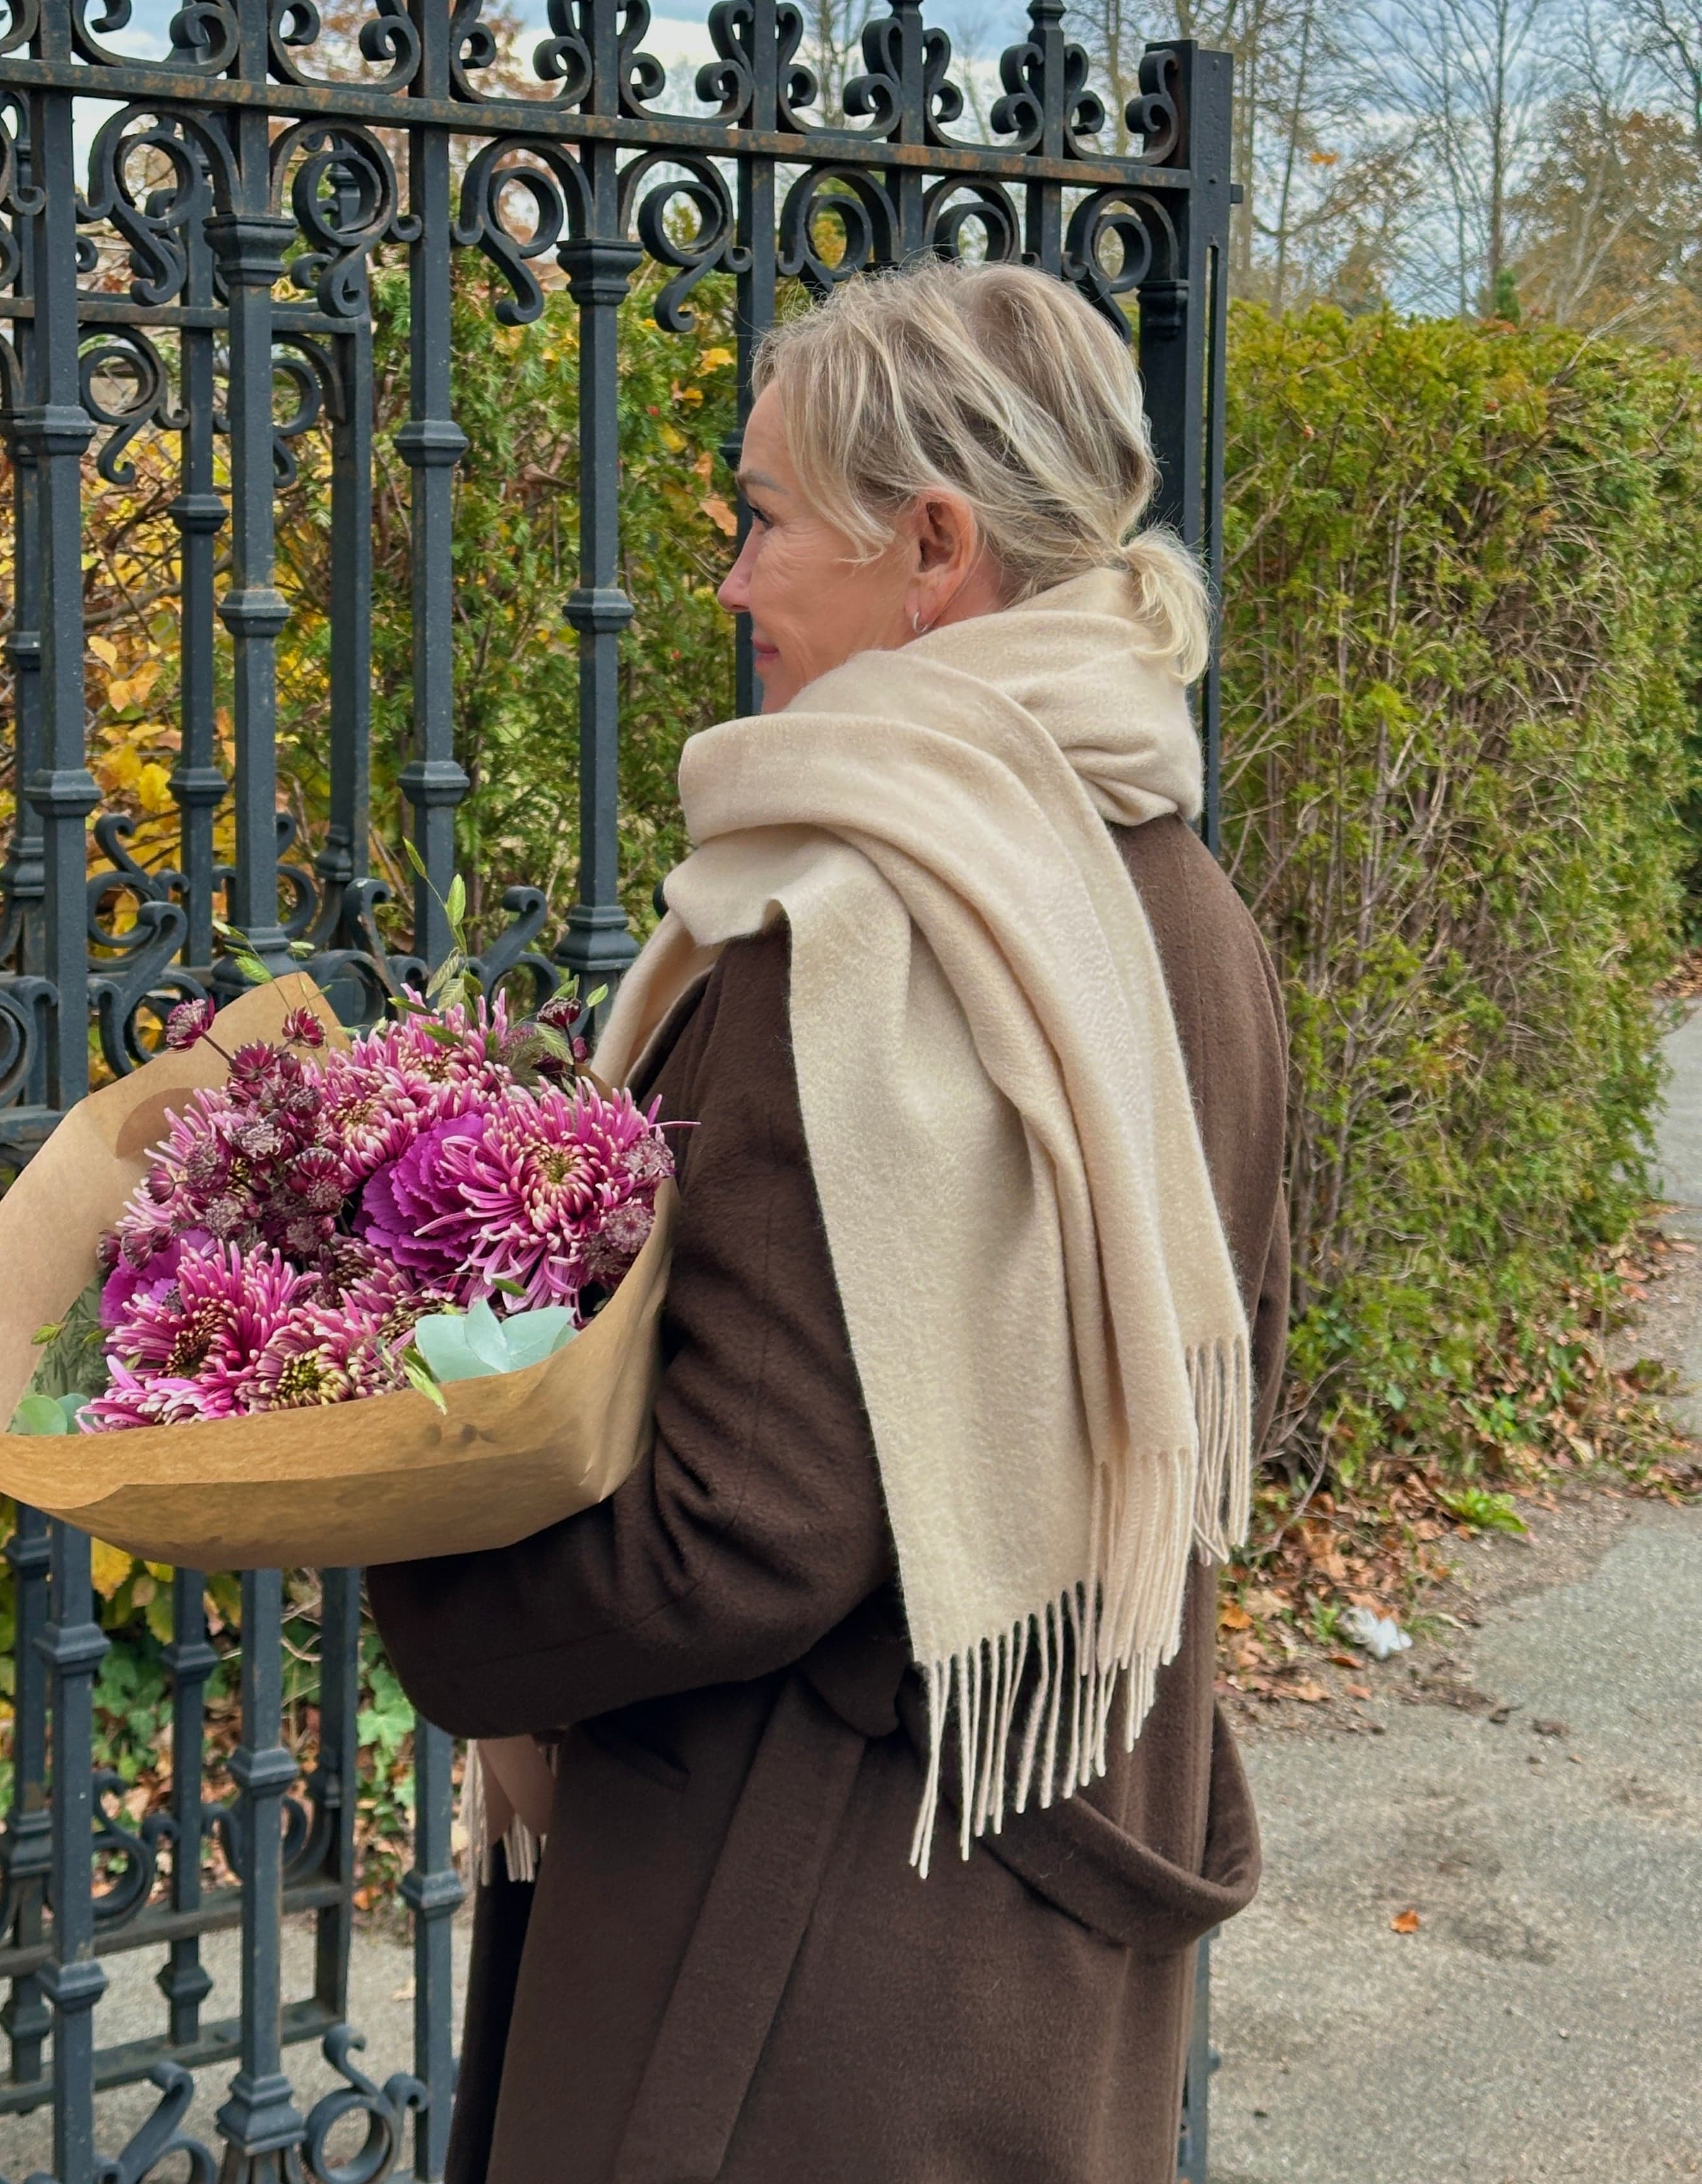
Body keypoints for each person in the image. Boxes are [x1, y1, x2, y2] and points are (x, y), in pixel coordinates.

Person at [367, 256, 1290, 2184]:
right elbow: (1220, 1393)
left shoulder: (859, 931)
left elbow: (744, 1532)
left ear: (932, 546)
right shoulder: (1172, 896)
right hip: (1030, 1907)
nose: (731, 582)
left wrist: (411, 1561)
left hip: (791, 1962)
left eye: (766, 516)